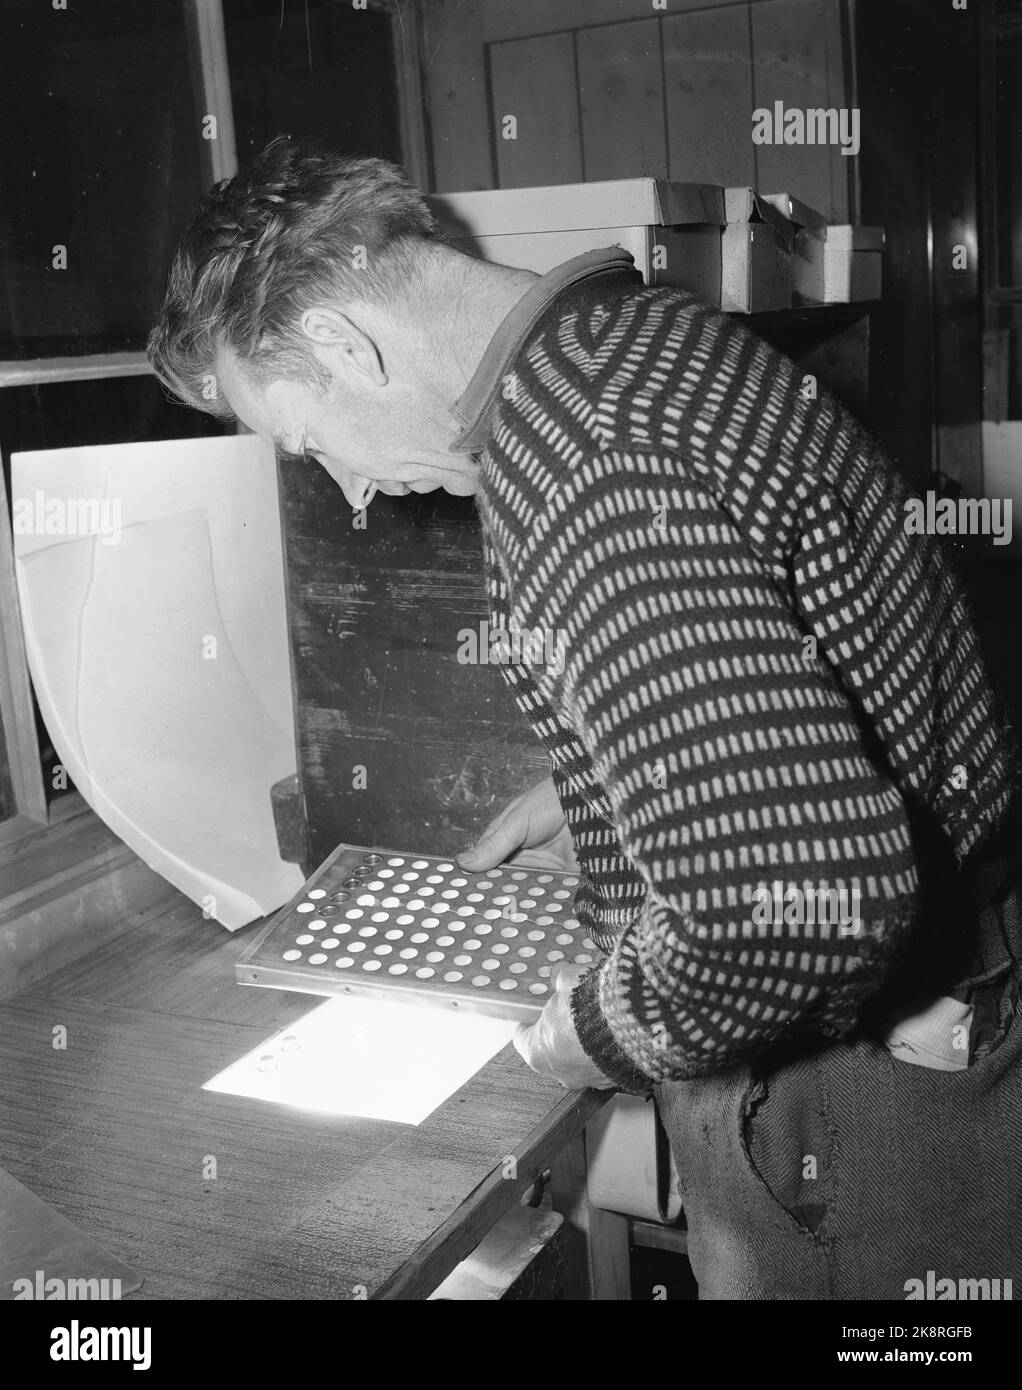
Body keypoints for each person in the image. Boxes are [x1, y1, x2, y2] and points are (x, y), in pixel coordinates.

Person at [148, 135, 1022, 1299]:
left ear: (340, 345)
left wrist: (577, 1036)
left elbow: (793, 907)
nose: (349, 492)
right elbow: (807, 655)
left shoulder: (578, 462)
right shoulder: (639, 340)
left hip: (858, 1088)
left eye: (310, 443)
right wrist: (609, 790)